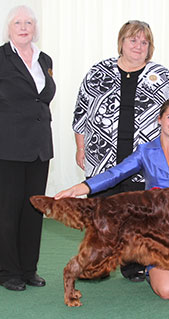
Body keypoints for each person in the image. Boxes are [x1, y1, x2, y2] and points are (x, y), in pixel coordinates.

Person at [55, 98, 169, 300]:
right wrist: (81, 188)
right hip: (156, 230)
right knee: (168, 291)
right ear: (159, 119)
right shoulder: (145, 151)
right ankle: (154, 271)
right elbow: (115, 174)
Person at [72, 20, 169, 281]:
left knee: (138, 217)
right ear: (121, 42)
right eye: (133, 40)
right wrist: (80, 147)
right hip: (102, 158)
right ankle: (96, 264)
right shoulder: (98, 72)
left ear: (150, 48)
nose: (138, 45)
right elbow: (80, 112)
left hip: (144, 161)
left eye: (144, 42)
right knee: (102, 214)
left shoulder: (162, 77)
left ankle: (133, 265)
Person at [0, 5, 56, 291]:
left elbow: (41, 99)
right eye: (18, 22)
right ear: (9, 27)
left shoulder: (44, 59)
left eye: (29, 23)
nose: (24, 27)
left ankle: (28, 269)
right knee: (8, 210)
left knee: (34, 209)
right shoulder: (0, 58)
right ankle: (8, 271)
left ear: (35, 28)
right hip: (7, 147)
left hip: (39, 148)